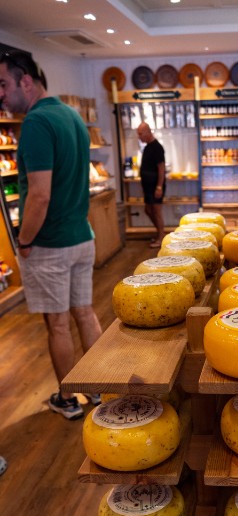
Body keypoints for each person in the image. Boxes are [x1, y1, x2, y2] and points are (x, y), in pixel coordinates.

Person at [0, 50, 102, 420]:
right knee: (85, 314)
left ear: (26, 80)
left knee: (57, 324)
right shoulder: (71, 115)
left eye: (3, 84)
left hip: (50, 243)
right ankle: (98, 388)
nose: (1, 94)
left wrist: (24, 241)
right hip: (81, 236)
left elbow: (40, 195)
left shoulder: (36, 123)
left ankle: (68, 398)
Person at [137, 121, 166, 248]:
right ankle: (160, 233)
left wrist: (159, 187)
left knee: (156, 212)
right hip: (148, 187)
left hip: (155, 186)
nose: (139, 137)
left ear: (148, 132)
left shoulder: (157, 147)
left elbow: (161, 168)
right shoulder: (147, 147)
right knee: (148, 210)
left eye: (140, 134)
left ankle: (161, 237)